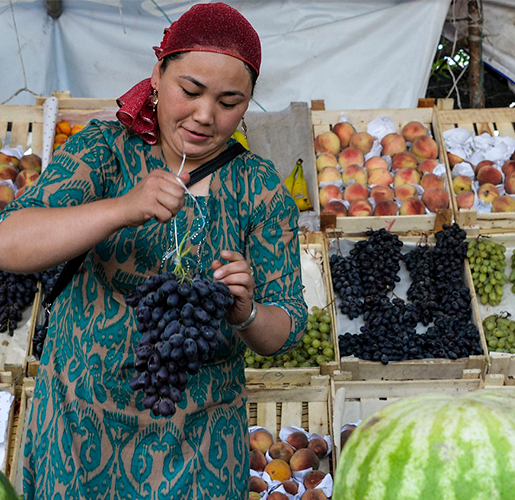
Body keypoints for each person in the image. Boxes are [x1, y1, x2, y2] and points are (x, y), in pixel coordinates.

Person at [0, 4, 307, 498]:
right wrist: (123, 207)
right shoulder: (104, 149)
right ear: (158, 76)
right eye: (190, 90)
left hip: (196, 450)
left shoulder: (260, 189)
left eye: (229, 101)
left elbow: (286, 326)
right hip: (80, 430)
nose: (205, 115)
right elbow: (9, 241)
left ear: (248, 104)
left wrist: (248, 313)